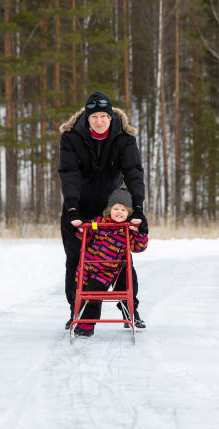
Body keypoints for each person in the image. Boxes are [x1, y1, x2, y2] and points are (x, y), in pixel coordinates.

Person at [58, 91, 148, 330]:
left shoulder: (124, 137)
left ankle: (131, 310)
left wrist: (137, 208)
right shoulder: (71, 137)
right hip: (79, 206)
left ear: (111, 118)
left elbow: (134, 172)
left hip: (112, 209)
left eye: (104, 116)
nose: (99, 121)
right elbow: (69, 175)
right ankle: (77, 313)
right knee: (76, 261)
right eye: (95, 116)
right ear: (87, 118)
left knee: (119, 259)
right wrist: (73, 210)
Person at [73, 189, 148, 337]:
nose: (119, 212)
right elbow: (88, 232)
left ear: (129, 213)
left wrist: (139, 232)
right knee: (83, 293)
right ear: (109, 210)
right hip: (89, 266)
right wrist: (83, 230)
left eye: (123, 210)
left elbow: (139, 247)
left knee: (93, 294)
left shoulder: (127, 228)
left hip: (108, 270)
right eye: (115, 208)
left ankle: (86, 326)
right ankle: (79, 320)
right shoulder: (99, 223)